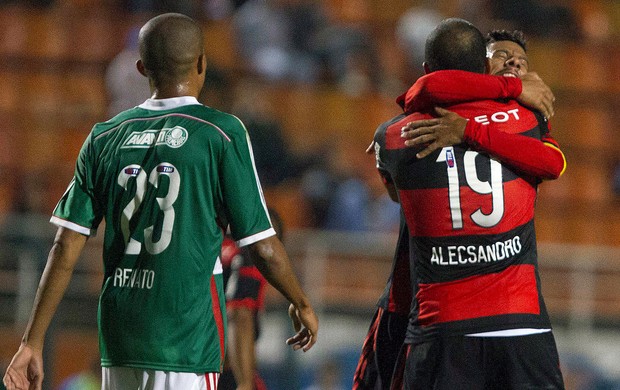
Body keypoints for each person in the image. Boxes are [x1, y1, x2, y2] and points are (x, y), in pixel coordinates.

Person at [3, 13, 318, 390]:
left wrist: (31, 341)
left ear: (141, 68)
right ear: (202, 63)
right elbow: (262, 247)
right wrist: (301, 301)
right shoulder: (220, 133)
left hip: (120, 343)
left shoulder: (104, 138)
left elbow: (66, 243)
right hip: (185, 342)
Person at [353, 28, 564, 390]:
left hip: (439, 325)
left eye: (521, 62)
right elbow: (553, 164)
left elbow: (423, 95)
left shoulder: (392, 136)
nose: (514, 65)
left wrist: (468, 130)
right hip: (518, 319)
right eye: (502, 57)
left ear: (426, 68)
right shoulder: (526, 120)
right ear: (483, 66)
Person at [218, 208, 285, 390]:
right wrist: (245, 383)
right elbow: (240, 314)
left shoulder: (219, 246)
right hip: (222, 373)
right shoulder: (253, 255)